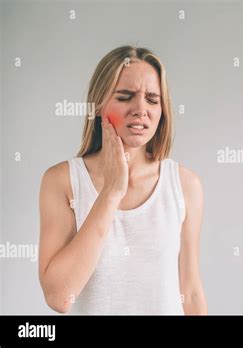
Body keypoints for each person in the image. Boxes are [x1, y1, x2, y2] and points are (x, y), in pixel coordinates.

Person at [38, 46, 207, 315]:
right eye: (125, 96)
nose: (140, 109)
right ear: (99, 104)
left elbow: (191, 290)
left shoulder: (185, 185)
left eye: (152, 99)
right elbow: (59, 296)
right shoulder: (62, 181)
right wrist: (111, 193)